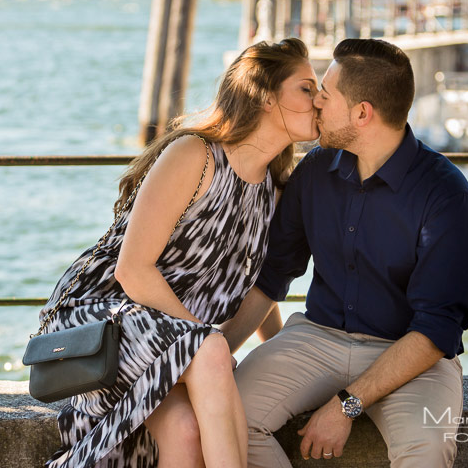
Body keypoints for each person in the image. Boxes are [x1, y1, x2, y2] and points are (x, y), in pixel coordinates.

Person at [37, 38, 319, 467]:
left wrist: (278, 358)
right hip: (99, 321)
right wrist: (206, 344)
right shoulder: (195, 156)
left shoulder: (275, 192)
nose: (319, 100)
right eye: (306, 87)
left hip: (174, 338)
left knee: (186, 431)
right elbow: (133, 271)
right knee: (207, 351)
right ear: (264, 96)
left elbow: (258, 286)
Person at [222, 38, 468, 467]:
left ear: (362, 113)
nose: (316, 107)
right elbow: (272, 276)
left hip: (410, 354)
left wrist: (346, 405)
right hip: (318, 337)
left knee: (426, 451)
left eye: (324, 97)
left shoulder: (446, 197)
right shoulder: (315, 171)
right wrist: (216, 353)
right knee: (228, 414)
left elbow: (437, 329)